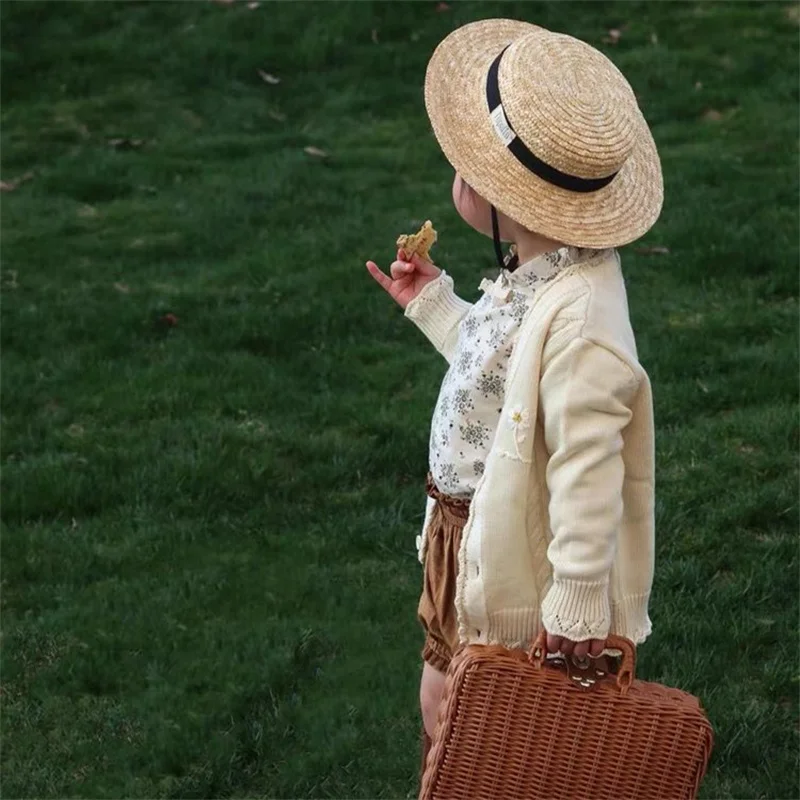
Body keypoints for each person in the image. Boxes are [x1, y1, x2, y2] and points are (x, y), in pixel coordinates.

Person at [365, 18, 662, 767]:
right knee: (443, 705)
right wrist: (434, 306)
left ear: (518, 205)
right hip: (456, 538)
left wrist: (577, 601)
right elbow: (495, 376)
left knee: (495, 736)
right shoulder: (537, 272)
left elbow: (588, 470)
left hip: (511, 560)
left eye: (472, 169)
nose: (455, 176)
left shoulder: (587, 321)